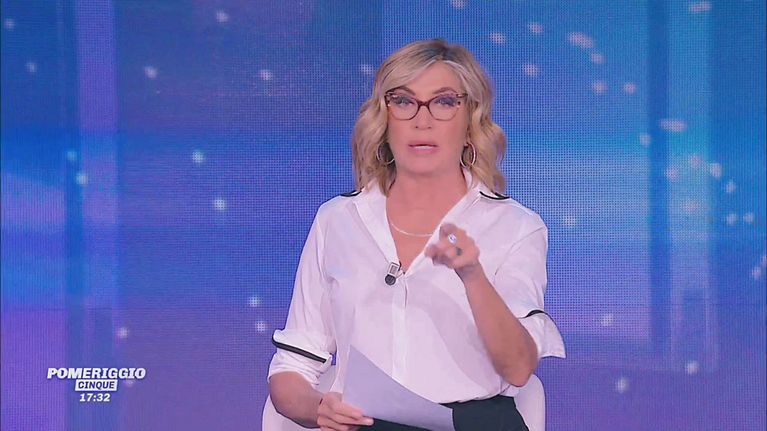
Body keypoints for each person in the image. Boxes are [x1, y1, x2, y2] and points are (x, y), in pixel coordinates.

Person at [267, 39, 565, 431]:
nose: (422, 121)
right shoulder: (337, 220)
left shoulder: (515, 226)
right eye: (404, 101)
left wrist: (472, 275)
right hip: (366, 424)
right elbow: (292, 367)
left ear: (470, 121)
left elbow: (519, 367)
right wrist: (318, 407)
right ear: (384, 119)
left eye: (444, 102)